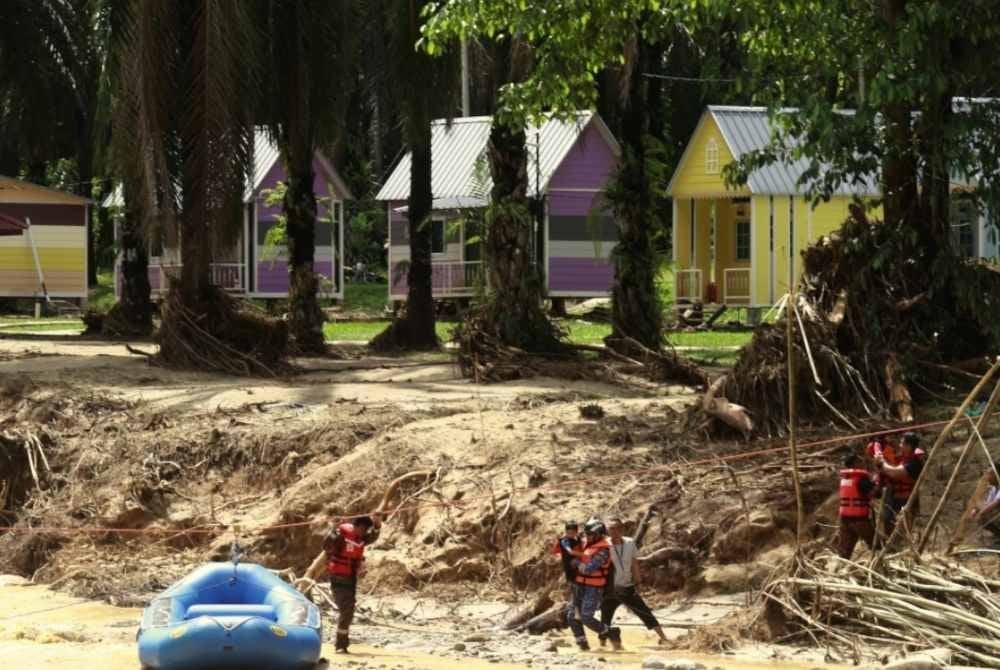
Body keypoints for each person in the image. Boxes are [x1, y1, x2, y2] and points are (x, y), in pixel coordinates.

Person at [599, 518, 668, 646]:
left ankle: (664, 638)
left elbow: (634, 563)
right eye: (610, 529)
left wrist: (638, 580)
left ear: (622, 529)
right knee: (605, 617)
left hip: (626, 587)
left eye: (616, 528)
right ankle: (602, 645)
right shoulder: (603, 545)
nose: (613, 531)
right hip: (610, 589)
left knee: (644, 612)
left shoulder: (630, 543)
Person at [323, 514, 381, 653]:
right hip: (338, 576)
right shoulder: (341, 535)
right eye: (361, 528)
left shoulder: (361, 538)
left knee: (349, 609)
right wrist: (333, 529)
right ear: (356, 526)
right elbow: (326, 546)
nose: (363, 532)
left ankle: (341, 644)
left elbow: (372, 537)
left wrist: (377, 524)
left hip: (350, 577)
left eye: (365, 529)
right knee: (347, 610)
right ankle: (341, 645)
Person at [565, 519, 622, 651]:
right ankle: (583, 645)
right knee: (571, 616)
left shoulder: (604, 550)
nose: (588, 537)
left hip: (593, 588)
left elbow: (588, 568)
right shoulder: (585, 543)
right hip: (579, 585)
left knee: (586, 617)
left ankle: (611, 632)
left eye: (590, 534)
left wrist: (575, 562)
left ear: (598, 534)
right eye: (587, 534)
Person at [875, 431, 925, 541]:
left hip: (907, 501)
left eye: (902, 443)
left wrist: (882, 462)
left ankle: (900, 550)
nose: (900, 445)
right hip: (895, 500)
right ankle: (892, 549)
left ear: (908, 446)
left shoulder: (915, 462)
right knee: (890, 528)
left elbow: (894, 472)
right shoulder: (903, 459)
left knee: (903, 532)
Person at [838, 453, 878, 559]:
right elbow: (875, 493)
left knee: (844, 552)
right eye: (860, 461)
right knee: (876, 545)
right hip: (859, 520)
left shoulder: (845, 479)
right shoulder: (861, 480)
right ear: (854, 463)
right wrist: (877, 482)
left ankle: (840, 569)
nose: (862, 463)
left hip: (844, 519)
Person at [970, 462, 1000, 541]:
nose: (987, 477)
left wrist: (981, 512)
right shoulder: (993, 488)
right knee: (981, 517)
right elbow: (987, 503)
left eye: (990, 474)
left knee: (983, 516)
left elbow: (996, 503)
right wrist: (976, 509)